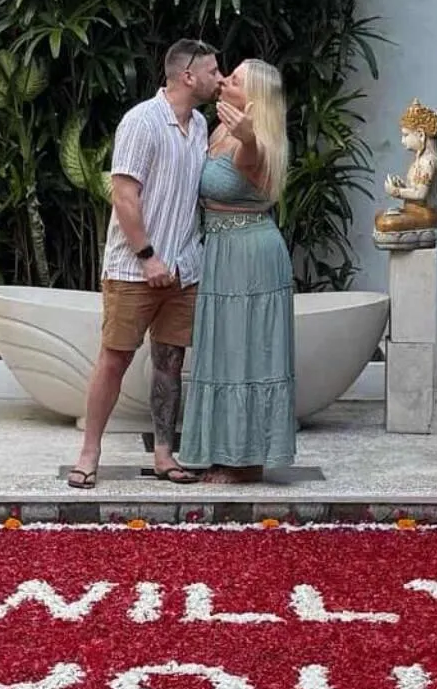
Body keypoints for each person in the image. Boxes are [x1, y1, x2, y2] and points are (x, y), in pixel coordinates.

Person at [67, 38, 222, 490]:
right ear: (187, 76)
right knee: (114, 359)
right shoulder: (141, 121)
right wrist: (148, 256)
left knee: (170, 363)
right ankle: (89, 453)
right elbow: (124, 195)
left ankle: (163, 454)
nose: (219, 77)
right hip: (135, 269)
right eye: (212, 71)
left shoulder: (198, 127)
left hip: (184, 270)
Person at [177, 59, 296, 484]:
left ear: (253, 98)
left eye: (236, 79)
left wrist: (247, 137)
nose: (225, 79)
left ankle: (243, 459)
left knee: (245, 354)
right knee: (225, 352)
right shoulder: (218, 128)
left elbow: (252, 155)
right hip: (222, 250)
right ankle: (225, 451)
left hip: (250, 255)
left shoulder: (255, 139)